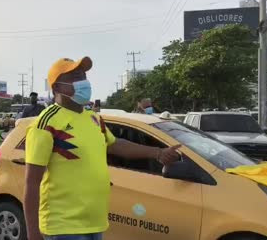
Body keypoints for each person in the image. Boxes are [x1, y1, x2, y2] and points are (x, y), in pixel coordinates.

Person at [24, 57, 180, 240]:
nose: (83, 81)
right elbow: (32, 182)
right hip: (62, 226)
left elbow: (115, 145)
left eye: (83, 75)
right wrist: (33, 234)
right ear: (57, 88)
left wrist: (158, 153)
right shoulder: (46, 123)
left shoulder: (94, 118)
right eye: (75, 76)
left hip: (95, 222)